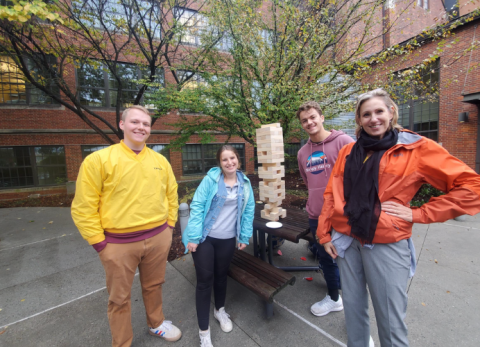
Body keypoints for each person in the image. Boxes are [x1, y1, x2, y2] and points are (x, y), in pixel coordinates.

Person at [317, 89, 480, 347]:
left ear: (391, 112)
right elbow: (331, 194)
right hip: (345, 241)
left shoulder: (416, 148)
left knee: (391, 322)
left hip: (386, 242)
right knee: (353, 309)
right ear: (359, 119)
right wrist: (324, 234)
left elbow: (472, 187)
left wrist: (419, 213)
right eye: (366, 114)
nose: (373, 119)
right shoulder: (349, 151)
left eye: (379, 111)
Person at [71, 105, 181, 347]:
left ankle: (156, 324)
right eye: (135, 122)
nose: (141, 127)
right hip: (117, 244)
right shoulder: (99, 160)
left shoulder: (160, 161)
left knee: (154, 285)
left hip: (158, 237)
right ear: (122, 124)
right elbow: (83, 207)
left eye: (145, 124)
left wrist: (169, 226)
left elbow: (172, 195)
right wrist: (100, 243)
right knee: (119, 298)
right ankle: (122, 343)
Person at [182, 145, 255, 347]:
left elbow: (248, 211)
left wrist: (244, 236)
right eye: (225, 159)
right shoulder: (211, 180)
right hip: (205, 238)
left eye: (232, 158)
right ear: (219, 163)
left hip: (227, 239)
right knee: (205, 281)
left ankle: (220, 311)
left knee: (222, 277)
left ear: (238, 160)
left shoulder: (245, 184)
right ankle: (204, 333)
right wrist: (194, 237)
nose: (229, 162)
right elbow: (196, 206)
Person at [296, 101, 354, 316]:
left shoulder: (344, 142)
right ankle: (334, 297)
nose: (309, 122)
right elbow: (308, 181)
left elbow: (358, 176)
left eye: (312, 117)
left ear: (321, 117)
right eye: (304, 120)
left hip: (343, 214)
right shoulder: (302, 153)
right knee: (326, 259)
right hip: (317, 215)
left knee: (350, 259)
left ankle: (353, 296)